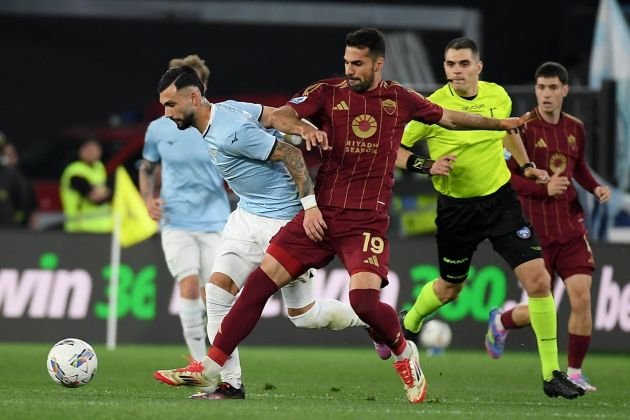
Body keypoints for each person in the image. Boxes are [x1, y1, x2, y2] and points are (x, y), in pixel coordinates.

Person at [152, 28, 530, 404]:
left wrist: (502, 125)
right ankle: (212, 367)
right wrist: (303, 127)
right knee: (258, 286)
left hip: (365, 220)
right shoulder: (327, 92)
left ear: (378, 64)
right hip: (321, 213)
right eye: (347, 62)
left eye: (358, 63)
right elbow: (282, 114)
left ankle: (404, 352)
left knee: (363, 302)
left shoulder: (400, 98)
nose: (350, 69)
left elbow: (449, 117)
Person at [151, 65, 371, 400]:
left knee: (305, 316)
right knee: (217, 293)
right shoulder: (229, 109)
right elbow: (273, 115)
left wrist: (310, 206)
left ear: (193, 98)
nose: (167, 113)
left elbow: (291, 154)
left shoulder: (232, 131)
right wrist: (301, 126)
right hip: (246, 217)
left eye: (171, 105)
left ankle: (367, 319)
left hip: (282, 223)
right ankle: (230, 384)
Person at [398, 38, 584, 400]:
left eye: (463, 63)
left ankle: (552, 374)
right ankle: (410, 321)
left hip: (500, 204)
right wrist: (427, 165)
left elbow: (507, 130)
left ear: (478, 67)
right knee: (450, 288)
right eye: (450, 64)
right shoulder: (431, 107)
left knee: (539, 281)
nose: (456, 71)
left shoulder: (497, 95)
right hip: (456, 210)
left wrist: (526, 165)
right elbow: (396, 150)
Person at [484, 62, 611, 392]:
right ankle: (501, 321)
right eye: (541, 87)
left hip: (570, 227)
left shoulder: (576, 128)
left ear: (565, 90)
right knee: (542, 308)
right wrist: (543, 188)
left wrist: (595, 187)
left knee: (581, 297)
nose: (546, 94)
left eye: (553, 87)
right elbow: (506, 177)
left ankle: (575, 372)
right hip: (535, 230)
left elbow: (578, 167)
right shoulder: (522, 129)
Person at [139, 55, 231, 367]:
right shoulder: (158, 129)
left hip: (215, 219)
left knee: (214, 293)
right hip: (176, 220)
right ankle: (197, 361)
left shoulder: (218, 123)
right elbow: (146, 168)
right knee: (189, 285)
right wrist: (148, 199)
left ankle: (218, 359)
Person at [59, 138, 113, 232]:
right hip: (80, 228)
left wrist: (105, 192)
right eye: (88, 149)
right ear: (80, 151)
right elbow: (94, 197)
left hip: (102, 228)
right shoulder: (75, 171)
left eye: (94, 150)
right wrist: (106, 192)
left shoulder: (99, 167)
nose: (91, 153)